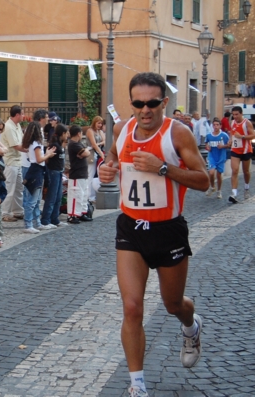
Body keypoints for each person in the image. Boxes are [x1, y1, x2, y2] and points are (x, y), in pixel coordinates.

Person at [99, 72, 209, 397]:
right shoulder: (121, 129)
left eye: (151, 103)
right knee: (132, 308)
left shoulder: (178, 134)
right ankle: (138, 386)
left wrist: (162, 167)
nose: (144, 110)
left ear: (164, 102)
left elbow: (203, 180)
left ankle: (191, 325)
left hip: (168, 229)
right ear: (131, 103)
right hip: (131, 227)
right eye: (138, 103)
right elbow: (111, 159)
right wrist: (106, 167)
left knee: (173, 304)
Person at [21, 121, 55, 233]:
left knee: (35, 200)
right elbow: (39, 159)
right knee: (32, 201)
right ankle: (29, 224)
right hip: (37, 171)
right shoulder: (36, 144)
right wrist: (48, 155)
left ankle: (36, 223)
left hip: (34, 170)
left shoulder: (31, 143)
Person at [0, 105, 27, 222]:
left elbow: (21, 141)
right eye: (22, 114)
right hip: (10, 162)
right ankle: (4, 213)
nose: (24, 116)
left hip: (17, 161)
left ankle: (18, 211)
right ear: (17, 115)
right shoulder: (9, 127)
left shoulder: (17, 125)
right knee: (9, 188)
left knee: (18, 188)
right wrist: (29, 149)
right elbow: (16, 145)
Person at [41, 124, 69, 228]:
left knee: (58, 197)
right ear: (62, 133)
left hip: (59, 172)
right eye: (66, 133)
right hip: (54, 172)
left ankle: (54, 219)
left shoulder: (60, 145)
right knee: (51, 197)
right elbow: (48, 159)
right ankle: (45, 220)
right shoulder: (55, 145)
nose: (67, 135)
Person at [228, 106, 255, 203]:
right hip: (235, 150)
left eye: (236, 114)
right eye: (233, 114)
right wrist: (231, 139)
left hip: (246, 150)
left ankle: (246, 187)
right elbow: (232, 132)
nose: (235, 116)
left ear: (241, 114)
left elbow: (253, 135)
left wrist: (242, 136)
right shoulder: (233, 122)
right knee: (234, 171)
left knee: (246, 171)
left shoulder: (247, 123)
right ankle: (234, 194)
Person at [67, 125, 92, 224]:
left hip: (82, 173)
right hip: (76, 174)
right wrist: (85, 152)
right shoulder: (73, 144)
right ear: (78, 133)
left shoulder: (78, 144)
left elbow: (85, 152)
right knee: (76, 195)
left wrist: (85, 151)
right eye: (81, 133)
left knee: (83, 194)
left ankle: (82, 212)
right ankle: (72, 215)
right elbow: (86, 153)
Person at [204, 118, 229, 199]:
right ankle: (212, 187)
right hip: (212, 156)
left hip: (221, 157)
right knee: (211, 173)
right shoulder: (209, 135)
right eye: (214, 125)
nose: (215, 126)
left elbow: (229, 145)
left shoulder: (224, 135)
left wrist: (223, 146)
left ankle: (219, 190)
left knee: (218, 175)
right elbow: (206, 144)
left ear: (220, 126)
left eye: (217, 125)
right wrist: (207, 147)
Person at [86, 116, 106, 202]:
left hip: (97, 153)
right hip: (92, 154)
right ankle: (89, 197)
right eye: (98, 123)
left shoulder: (100, 131)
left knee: (95, 175)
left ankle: (92, 196)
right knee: (90, 175)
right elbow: (93, 144)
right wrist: (101, 153)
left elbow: (104, 141)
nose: (100, 125)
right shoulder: (90, 131)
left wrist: (98, 144)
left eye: (101, 123)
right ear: (94, 122)